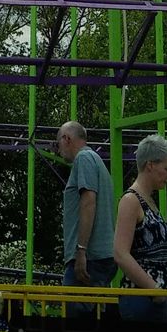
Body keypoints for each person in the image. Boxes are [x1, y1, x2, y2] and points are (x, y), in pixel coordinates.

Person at [114, 134, 167, 321]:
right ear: (150, 165)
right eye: (166, 169)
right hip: (144, 301)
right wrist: (155, 290)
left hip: (157, 300)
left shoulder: (148, 201)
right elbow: (120, 253)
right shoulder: (130, 200)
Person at [56, 119, 115, 298]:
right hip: (101, 255)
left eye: (57, 143)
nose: (58, 150)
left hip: (90, 257)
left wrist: (81, 250)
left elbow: (88, 202)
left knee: (75, 311)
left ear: (66, 139)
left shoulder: (83, 158)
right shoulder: (96, 160)